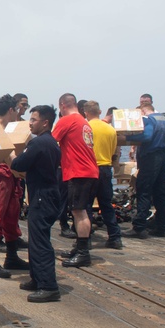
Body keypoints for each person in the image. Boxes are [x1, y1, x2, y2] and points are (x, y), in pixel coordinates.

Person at [12, 105, 63, 302]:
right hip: (47, 194)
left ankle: (49, 286)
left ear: (45, 123)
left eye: (33, 119)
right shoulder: (51, 142)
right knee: (36, 239)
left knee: (40, 242)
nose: (30, 123)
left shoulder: (39, 143)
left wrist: (10, 154)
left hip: (42, 196)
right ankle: (36, 278)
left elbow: (18, 165)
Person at [0, 93, 30, 278]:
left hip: (12, 175)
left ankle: (11, 256)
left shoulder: (10, 128)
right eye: (17, 110)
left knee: (12, 214)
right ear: (11, 110)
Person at [52, 94, 99, 267]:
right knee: (80, 211)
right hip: (90, 171)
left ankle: (83, 252)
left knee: (79, 212)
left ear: (62, 105)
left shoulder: (67, 120)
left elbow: (50, 142)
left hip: (79, 172)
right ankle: (79, 247)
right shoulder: (83, 121)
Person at [123, 102, 165, 238]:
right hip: (163, 157)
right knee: (160, 192)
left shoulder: (148, 119)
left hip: (151, 157)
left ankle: (139, 227)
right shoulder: (164, 119)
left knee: (144, 190)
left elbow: (146, 136)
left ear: (142, 112)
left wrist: (127, 137)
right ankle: (163, 227)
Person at [83, 100, 123, 249]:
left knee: (85, 205)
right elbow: (114, 152)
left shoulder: (85, 128)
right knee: (106, 204)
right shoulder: (110, 130)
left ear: (85, 113)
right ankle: (115, 237)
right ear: (99, 112)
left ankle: (85, 239)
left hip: (89, 168)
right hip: (106, 168)